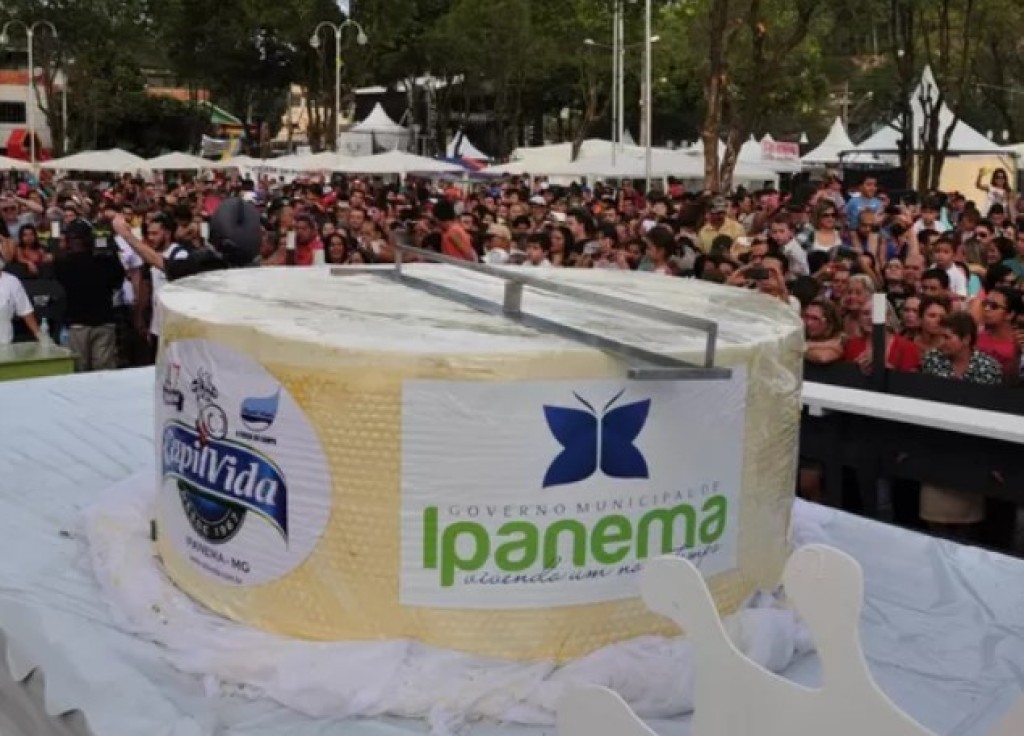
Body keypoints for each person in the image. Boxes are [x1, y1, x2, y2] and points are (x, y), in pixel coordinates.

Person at [920, 312, 1002, 535]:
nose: (941, 342)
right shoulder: (932, 360)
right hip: (937, 450)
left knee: (966, 526)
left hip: (971, 453)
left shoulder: (988, 367)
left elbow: (992, 413)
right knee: (934, 522)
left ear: (966, 339)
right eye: (940, 337)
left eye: (948, 337)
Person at [51, 219, 125, 372]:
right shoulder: (104, 260)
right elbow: (118, 279)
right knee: (103, 369)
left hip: (82, 323)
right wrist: (112, 254)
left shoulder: (64, 263)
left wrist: (59, 247)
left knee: (81, 370)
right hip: (99, 319)